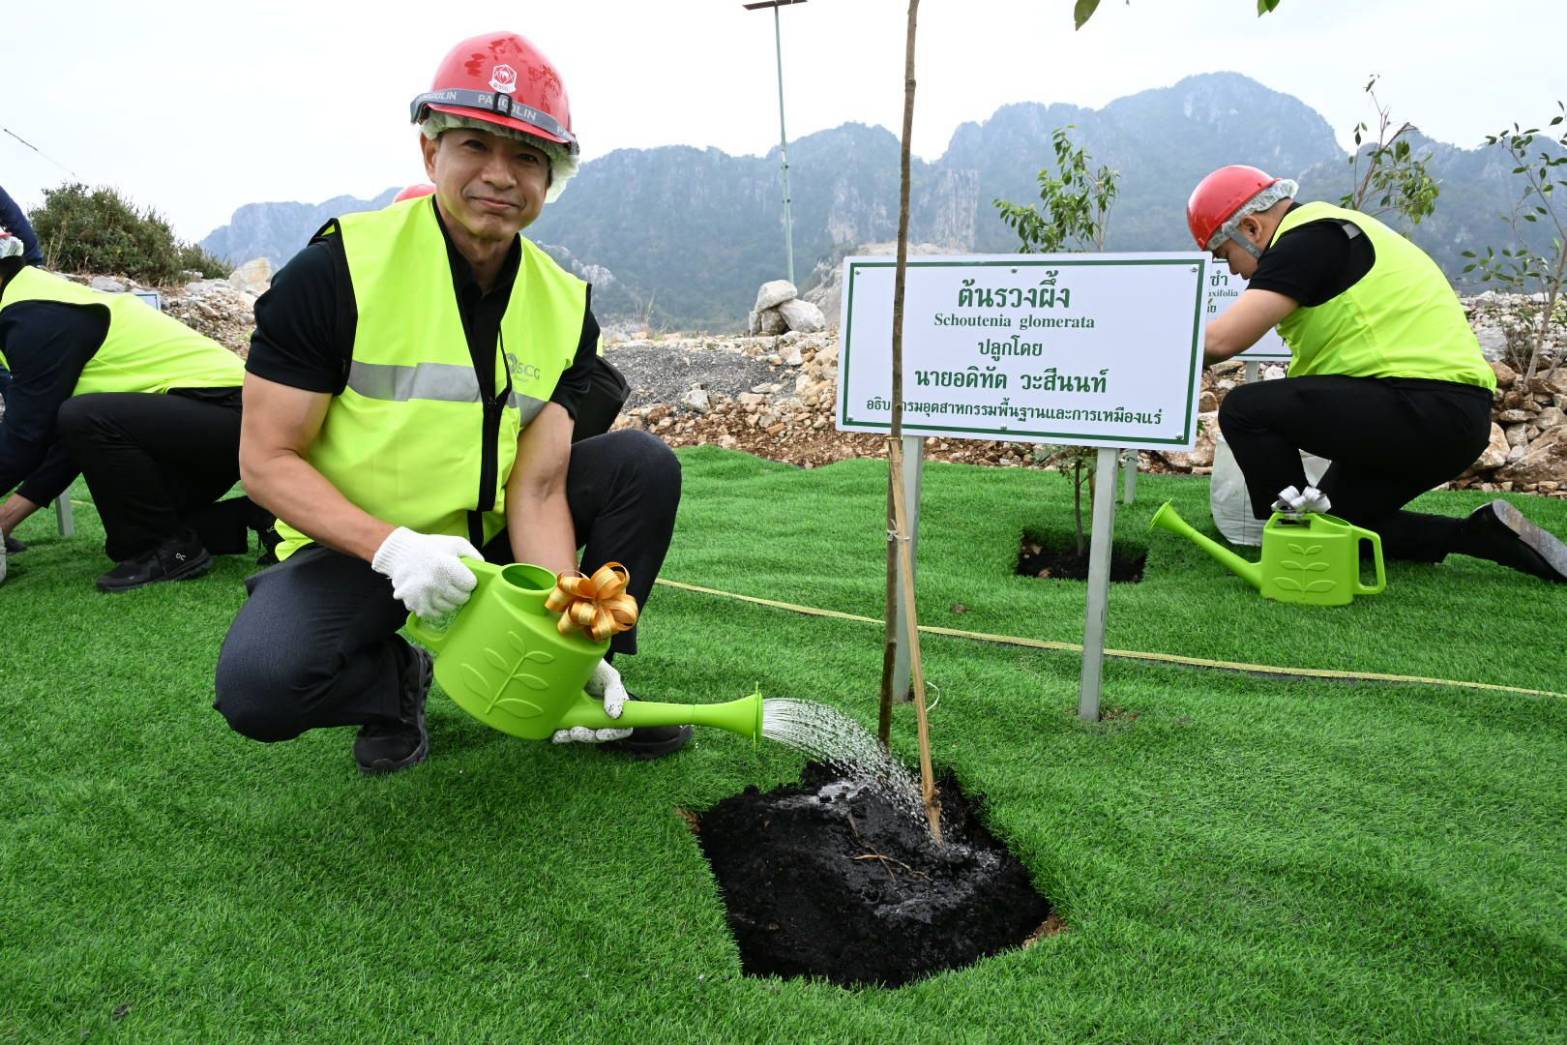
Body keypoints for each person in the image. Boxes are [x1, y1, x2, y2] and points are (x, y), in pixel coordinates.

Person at [213, 31, 686, 775]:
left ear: (551, 175)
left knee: (641, 465)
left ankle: (582, 689)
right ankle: (394, 682)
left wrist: (569, 633)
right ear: (431, 152)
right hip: (357, 549)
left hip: (489, 541)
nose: (500, 175)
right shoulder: (335, 272)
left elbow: (537, 482)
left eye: (526, 156)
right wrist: (394, 548)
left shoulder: (565, 304)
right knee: (259, 686)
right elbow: (266, 460)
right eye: (474, 145)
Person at [1191, 165, 1567, 583]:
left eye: (1225, 254)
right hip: (1453, 418)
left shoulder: (1306, 240)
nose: (1230, 271)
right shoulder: (1333, 231)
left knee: (1246, 408)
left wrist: (1142, 361)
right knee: (1339, 531)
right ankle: (1479, 537)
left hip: (1418, 405)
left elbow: (1219, 342)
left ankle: (1289, 535)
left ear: (1251, 227)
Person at [0, 226, 273, 590]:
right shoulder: (31, 303)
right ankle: (257, 515)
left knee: (84, 420)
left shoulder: (34, 317)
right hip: (211, 422)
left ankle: (169, 551)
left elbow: (25, 435)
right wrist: (8, 517)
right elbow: (67, 441)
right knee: (131, 528)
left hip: (234, 415)